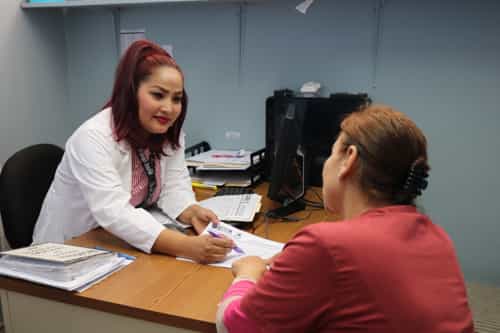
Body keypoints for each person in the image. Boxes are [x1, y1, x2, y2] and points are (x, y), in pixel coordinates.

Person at [216, 104, 474, 332]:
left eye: (331, 153)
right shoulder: (437, 237)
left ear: (348, 159)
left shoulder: (327, 244)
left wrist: (248, 273)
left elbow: (233, 326)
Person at [33, 39, 234, 263]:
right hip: (68, 251)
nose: (168, 108)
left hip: (117, 243)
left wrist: (191, 211)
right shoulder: (92, 137)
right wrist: (187, 247)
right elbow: (114, 212)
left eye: (176, 98)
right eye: (158, 95)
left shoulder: (168, 133)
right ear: (131, 93)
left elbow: (173, 185)